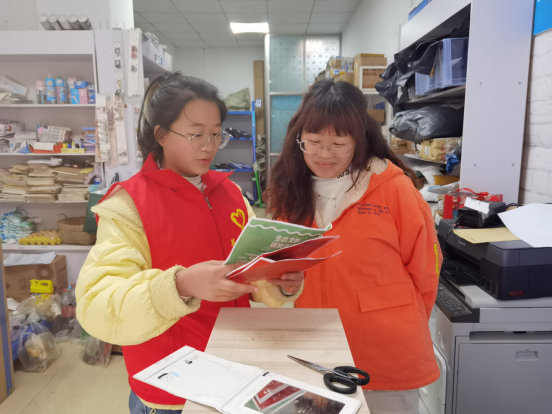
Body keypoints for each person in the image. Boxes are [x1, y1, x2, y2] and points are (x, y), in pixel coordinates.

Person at [76, 73, 304, 414]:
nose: (209, 146)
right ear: (161, 135)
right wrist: (180, 285)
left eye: (216, 134)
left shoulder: (230, 193)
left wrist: (277, 282)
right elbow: (97, 304)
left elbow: (248, 274)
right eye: (196, 134)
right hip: (172, 390)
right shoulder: (128, 205)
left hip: (236, 371)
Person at [266, 79, 441, 414]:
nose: (324, 154)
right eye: (314, 142)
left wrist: (403, 320)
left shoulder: (394, 189)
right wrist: (285, 287)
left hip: (387, 354)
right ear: (299, 138)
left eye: (338, 144)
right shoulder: (291, 192)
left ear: (359, 140)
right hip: (318, 350)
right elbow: (283, 273)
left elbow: (425, 271)